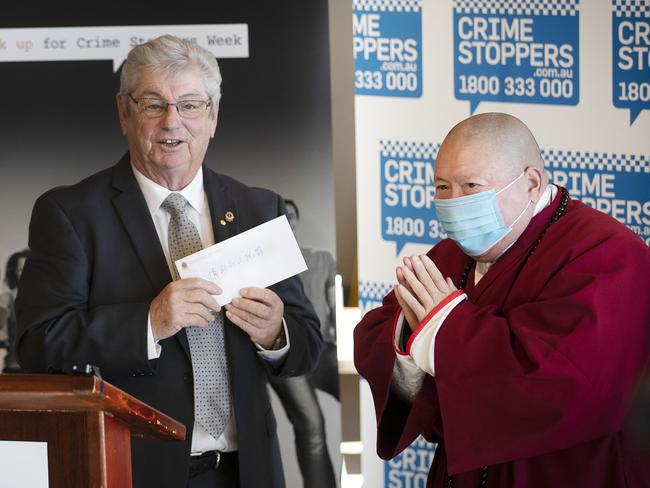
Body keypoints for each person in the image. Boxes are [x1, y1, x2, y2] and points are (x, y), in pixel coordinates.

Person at [16, 35, 322, 488]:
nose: (172, 122)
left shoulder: (260, 209)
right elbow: (37, 344)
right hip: (134, 470)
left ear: (213, 116)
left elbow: (306, 345)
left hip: (247, 473)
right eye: (153, 104)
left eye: (191, 105)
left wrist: (276, 333)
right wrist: (149, 322)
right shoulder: (72, 214)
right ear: (124, 113)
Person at [354, 113, 650, 487]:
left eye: (471, 185)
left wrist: (442, 335)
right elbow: (375, 333)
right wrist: (408, 337)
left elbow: (566, 381)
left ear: (531, 182)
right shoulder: (450, 255)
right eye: (442, 187)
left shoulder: (607, 252)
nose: (453, 202)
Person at [266, 199, 338, 488]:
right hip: (288, 358)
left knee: (368, 396)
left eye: (291, 216)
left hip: (323, 350)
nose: (287, 221)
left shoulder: (322, 260)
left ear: (296, 221)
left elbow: (336, 306)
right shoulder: (264, 267)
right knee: (312, 427)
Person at [0, 249, 29, 372]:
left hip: (41, 368)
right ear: (14, 273)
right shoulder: (8, 298)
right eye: (21, 270)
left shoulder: (45, 299)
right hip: (15, 367)